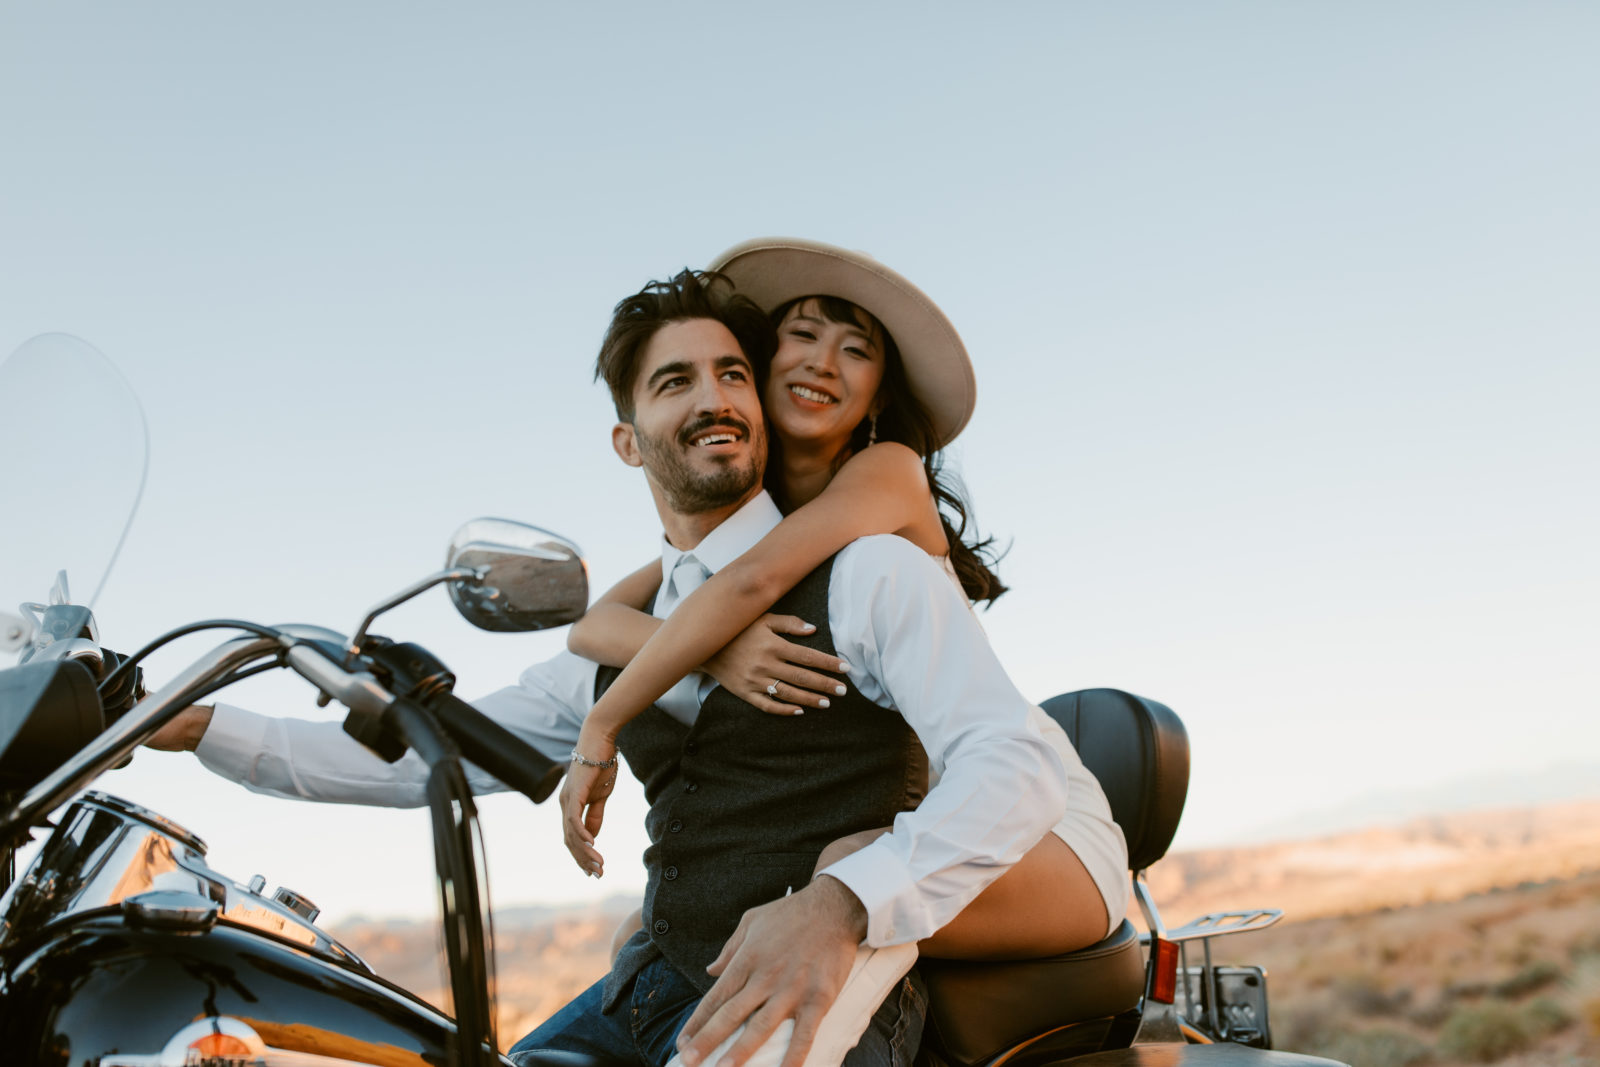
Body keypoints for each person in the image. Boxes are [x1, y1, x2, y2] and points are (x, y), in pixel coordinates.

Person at [148, 264, 1074, 1067]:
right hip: (648, 981)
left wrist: (842, 901)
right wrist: (201, 725)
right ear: (629, 440)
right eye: (676, 381)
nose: (713, 397)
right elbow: (423, 759)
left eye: (733, 374)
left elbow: (1013, 762)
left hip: (805, 985)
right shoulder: (634, 630)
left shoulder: (869, 569)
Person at [559, 238, 1129, 972]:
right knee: (646, 935)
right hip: (914, 829)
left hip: (1025, 822)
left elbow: (748, 587)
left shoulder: (883, 474)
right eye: (802, 334)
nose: (823, 362)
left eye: (855, 350)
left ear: (879, 395)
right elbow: (596, 623)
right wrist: (715, 646)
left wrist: (603, 725)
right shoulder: (766, 521)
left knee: (840, 872)